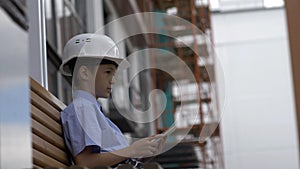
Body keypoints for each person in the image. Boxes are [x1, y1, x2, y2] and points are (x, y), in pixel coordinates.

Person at [59, 33, 165, 169]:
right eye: (108, 72)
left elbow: (114, 157)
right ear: (84, 73)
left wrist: (144, 151)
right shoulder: (83, 108)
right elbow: (85, 163)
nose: (113, 80)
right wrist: (132, 150)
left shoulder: (92, 109)